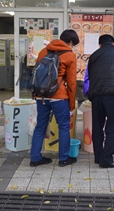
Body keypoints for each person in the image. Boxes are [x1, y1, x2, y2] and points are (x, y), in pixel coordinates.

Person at [30, 29, 79, 167]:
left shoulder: (43, 51)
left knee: (40, 126)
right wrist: (71, 104)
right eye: (73, 44)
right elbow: (71, 82)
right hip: (59, 97)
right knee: (63, 126)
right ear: (70, 42)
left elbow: (38, 75)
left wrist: (36, 94)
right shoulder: (69, 55)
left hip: (42, 96)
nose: (73, 47)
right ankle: (63, 158)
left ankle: (35, 158)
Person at [86, 34, 114, 168]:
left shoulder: (94, 55)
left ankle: (98, 157)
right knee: (113, 128)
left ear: (100, 45)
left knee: (97, 127)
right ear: (113, 42)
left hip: (97, 95)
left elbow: (91, 75)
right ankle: (106, 159)